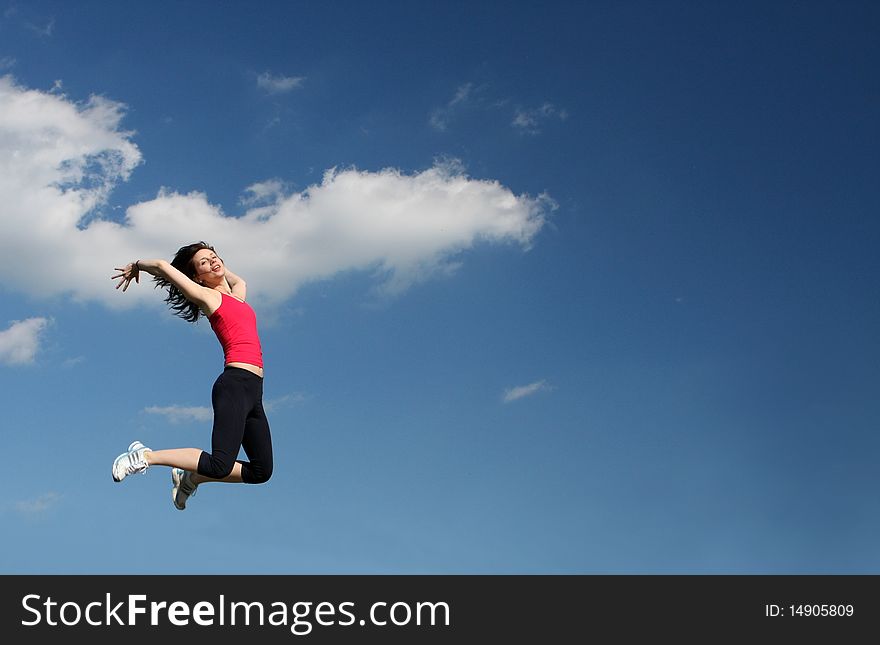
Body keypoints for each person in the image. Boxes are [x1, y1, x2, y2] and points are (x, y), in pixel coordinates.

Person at [110, 241, 273, 510]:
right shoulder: (208, 297)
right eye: (204, 263)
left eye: (214, 257)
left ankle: (191, 478)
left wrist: (213, 260)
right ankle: (144, 456)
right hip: (234, 385)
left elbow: (238, 279)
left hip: (254, 391)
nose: (213, 262)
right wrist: (137, 265)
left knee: (261, 471)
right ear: (197, 276)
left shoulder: (238, 296)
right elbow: (162, 266)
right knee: (220, 463)